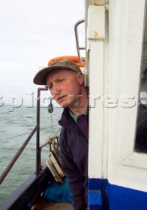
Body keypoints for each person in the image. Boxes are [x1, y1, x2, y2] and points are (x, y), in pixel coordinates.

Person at [33, 59, 89, 210]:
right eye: (50, 86)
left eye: (60, 80)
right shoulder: (65, 134)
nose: (55, 90)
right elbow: (75, 181)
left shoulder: (116, 111)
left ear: (79, 78)